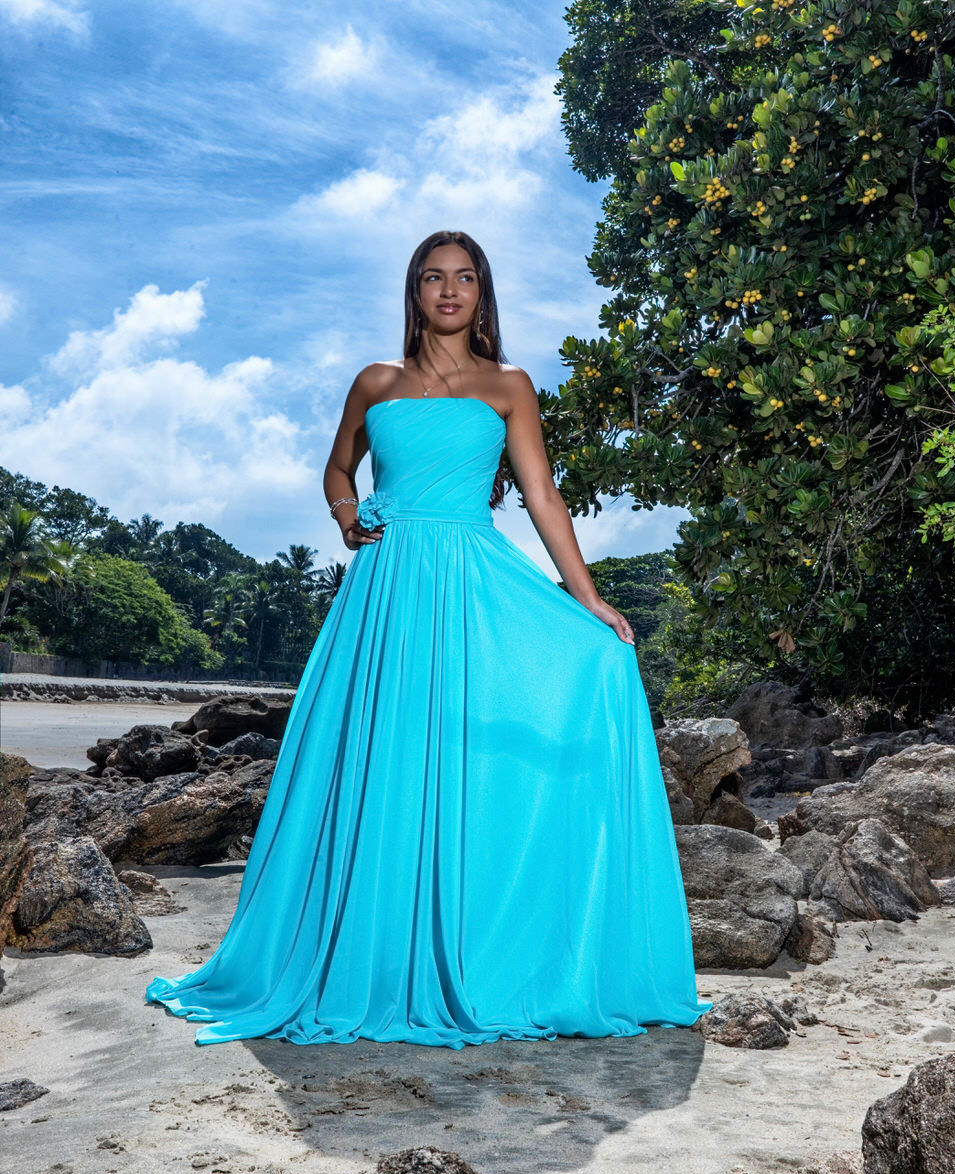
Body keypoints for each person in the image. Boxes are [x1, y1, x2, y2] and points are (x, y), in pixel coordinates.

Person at [145, 229, 710, 1048]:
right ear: (413, 291)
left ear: (482, 293)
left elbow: (543, 497)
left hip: (471, 579)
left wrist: (587, 599)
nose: (449, 291)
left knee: (515, 719)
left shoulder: (509, 386)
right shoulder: (376, 383)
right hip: (386, 591)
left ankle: (484, 944)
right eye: (433, 278)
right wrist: (346, 515)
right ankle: (366, 951)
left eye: (466, 279)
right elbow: (338, 470)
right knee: (381, 758)